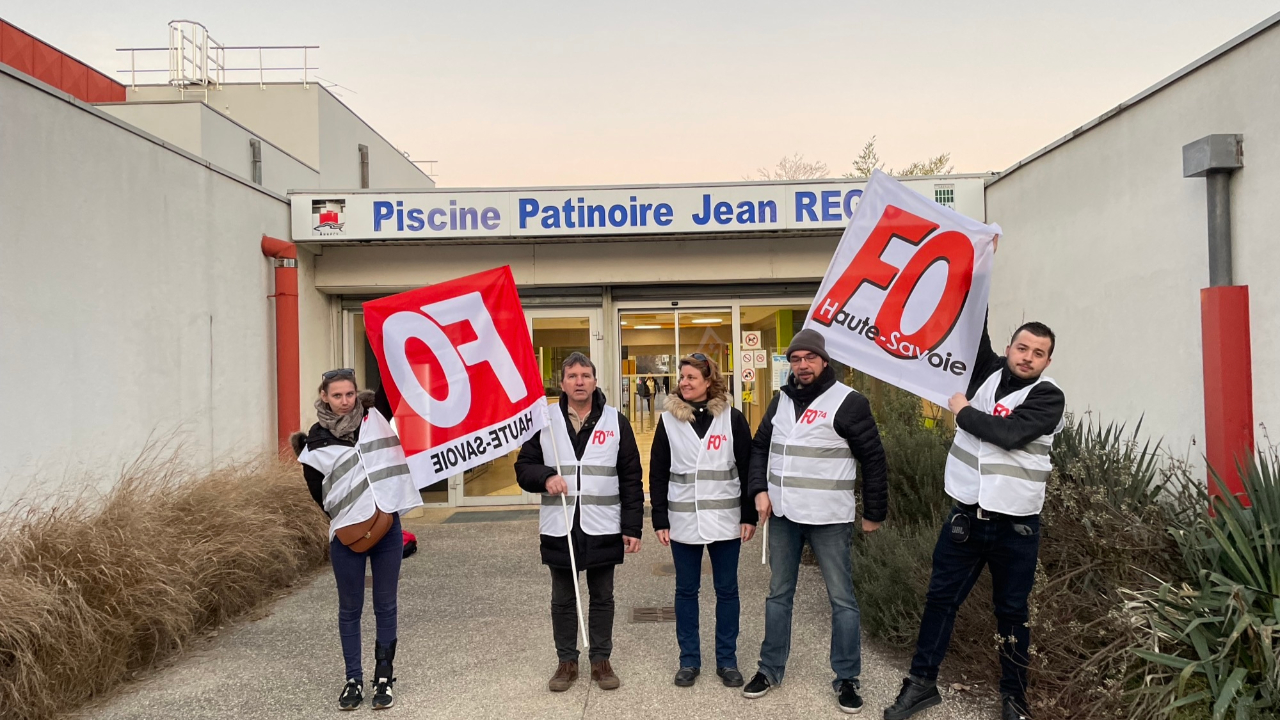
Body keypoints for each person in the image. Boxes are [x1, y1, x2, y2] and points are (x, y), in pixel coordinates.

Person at [883, 318, 1064, 720]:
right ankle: (920, 684)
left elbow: (1009, 434)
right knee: (939, 602)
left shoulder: (1048, 398)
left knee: (1013, 613)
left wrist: (963, 412)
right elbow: (972, 316)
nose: (1028, 357)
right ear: (1009, 347)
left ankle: (1014, 698)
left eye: (1038, 353)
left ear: (1048, 361)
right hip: (966, 518)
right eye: (1022, 348)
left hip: (1016, 528)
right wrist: (981, 256)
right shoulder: (985, 371)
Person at [742, 328, 889, 714]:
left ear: (824, 361)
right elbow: (761, 447)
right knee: (778, 595)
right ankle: (769, 669)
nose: (802, 365)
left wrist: (873, 513)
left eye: (809, 358)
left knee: (842, 599)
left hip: (828, 518)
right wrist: (759, 490)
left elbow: (873, 458)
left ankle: (846, 678)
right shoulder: (780, 402)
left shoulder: (848, 402)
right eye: (795, 359)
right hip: (785, 515)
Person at [292, 370, 423, 711]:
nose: (345, 401)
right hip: (347, 536)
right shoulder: (314, 445)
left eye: (350, 394)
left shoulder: (376, 417)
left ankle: (384, 677)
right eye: (337, 396)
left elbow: (394, 377)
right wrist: (354, 515)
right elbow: (319, 498)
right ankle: (353, 679)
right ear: (324, 396)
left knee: (386, 604)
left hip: (387, 529)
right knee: (349, 610)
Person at [515, 352, 645, 692]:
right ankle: (566, 662)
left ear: (595, 380)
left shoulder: (616, 421)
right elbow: (523, 468)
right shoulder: (542, 421)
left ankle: (601, 660)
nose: (579, 381)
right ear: (562, 383)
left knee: (602, 596)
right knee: (562, 598)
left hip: (603, 524)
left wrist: (633, 527)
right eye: (572, 376)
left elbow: (631, 477)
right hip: (560, 525)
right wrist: (545, 477)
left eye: (585, 375)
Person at [649, 353, 757, 688]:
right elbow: (657, 473)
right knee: (686, 591)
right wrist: (659, 518)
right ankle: (689, 661)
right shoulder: (668, 421)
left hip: (726, 521)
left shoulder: (732, 419)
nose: (684, 382)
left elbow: (748, 467)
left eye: (691, 377)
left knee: (727, 591)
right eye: (682, 377)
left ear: (708, 382)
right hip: (683, 522)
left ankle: (727, 661)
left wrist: (749, 514)